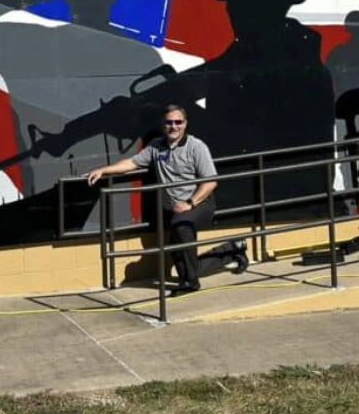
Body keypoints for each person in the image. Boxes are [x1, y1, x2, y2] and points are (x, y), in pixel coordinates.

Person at [85, 104, 247, 293]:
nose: (174, 126)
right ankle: (232, 251)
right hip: (176, 208)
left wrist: (190, 203)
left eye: (178, 122)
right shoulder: (156, 146)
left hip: (199, 203)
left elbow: (211, 182)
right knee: (180, 255)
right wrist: (103, 170)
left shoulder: (196, 146)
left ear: (185, 124)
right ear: (163, 125)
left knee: (180, 227)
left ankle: (191, 284)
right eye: (169, 122)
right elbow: (131, 163)